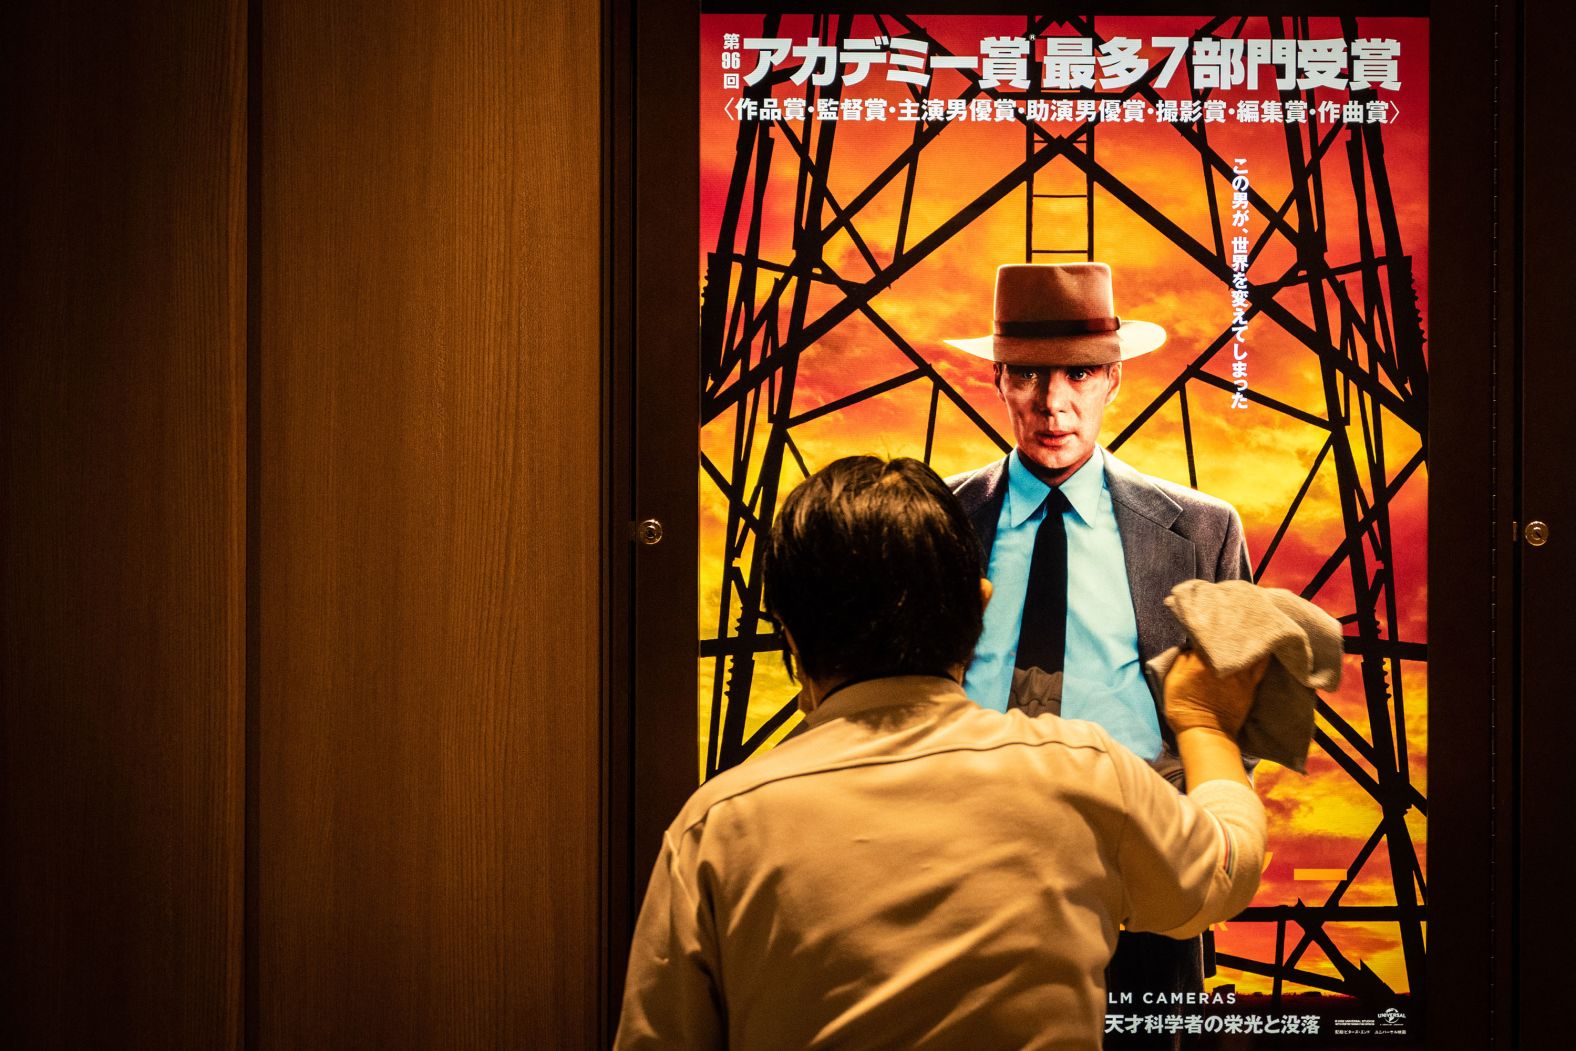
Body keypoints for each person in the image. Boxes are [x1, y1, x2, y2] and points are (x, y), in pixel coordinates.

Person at [616, 456, 1267, 1049]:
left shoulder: (717, 826)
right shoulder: (1084, 775)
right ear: (981, 605)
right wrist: (1204, 721)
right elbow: (1225, 868)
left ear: (788, 631)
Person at [944, 262, 1252, 1030]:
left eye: (1079, 373)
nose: (1054, 403)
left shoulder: (1203, 533)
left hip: (1141, 902)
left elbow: (1234, 728)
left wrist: (1171, 860)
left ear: (1114, 378)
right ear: (997, 379)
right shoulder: (937, 521)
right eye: (1029, 376)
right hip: (958, 891)